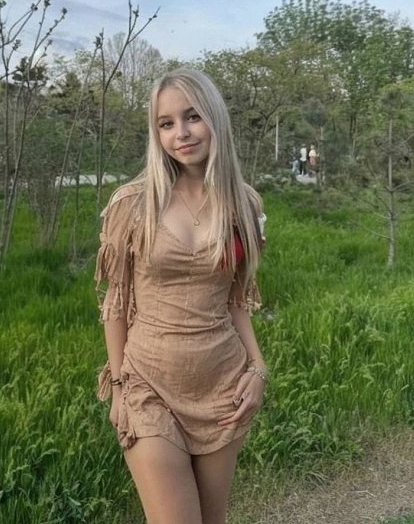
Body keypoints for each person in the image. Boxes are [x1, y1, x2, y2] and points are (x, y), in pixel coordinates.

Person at [95, 68, 268, 524]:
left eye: (193, 117)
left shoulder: (245, 204)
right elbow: (115, 303)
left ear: (215, 118)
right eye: (166, 123)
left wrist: (257, 368)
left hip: (222, 385)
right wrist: (119, 389)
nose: (182, 133)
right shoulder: (132, 204)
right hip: (147, 383)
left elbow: (237, 300)